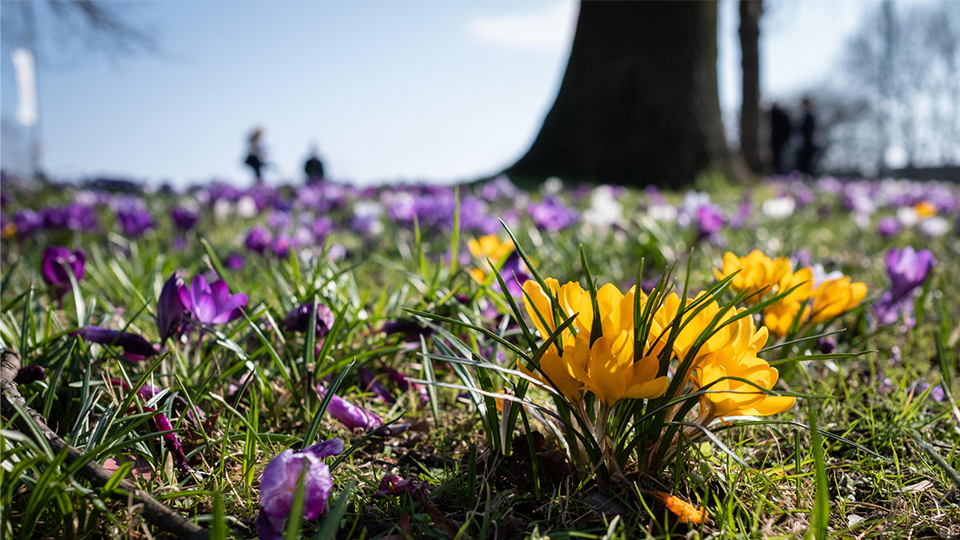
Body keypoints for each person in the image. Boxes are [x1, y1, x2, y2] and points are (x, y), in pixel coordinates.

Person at [796, 97, 817, 176]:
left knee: (808, 164)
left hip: (808, 144)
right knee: (802, 164)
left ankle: (809, 179)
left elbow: (811, 131)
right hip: (803, 144)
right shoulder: (802, 116)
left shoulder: (810, 116)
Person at [769, 102, 791, 175]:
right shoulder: (784, 114)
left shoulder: (773, 113)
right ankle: (779, 172)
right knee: (780, 157)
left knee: (778, 157)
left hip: (776, 139)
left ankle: (777, 172)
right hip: (781, 140)